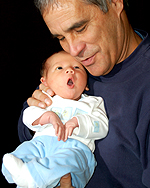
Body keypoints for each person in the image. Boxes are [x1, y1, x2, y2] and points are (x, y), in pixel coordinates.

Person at [17, 0, 150, 187]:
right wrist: (41, 112)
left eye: (80, 28)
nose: (73, 50)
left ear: (115, 3)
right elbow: (25, 128)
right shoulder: (79, 66)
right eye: (61, 38)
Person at [2, 51, 108, 188]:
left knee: (66, 159)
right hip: (42, 143)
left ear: (86, 84)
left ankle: (33, 177)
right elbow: (28, 116)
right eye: (59, 68)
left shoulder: (93, 103)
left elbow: (102, 126)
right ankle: (21, 175)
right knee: (25, 151)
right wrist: (47, 116)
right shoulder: (46, 99)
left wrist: (78, 122)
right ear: (45, 82)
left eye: (77, 68)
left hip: (76, 149)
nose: (70, 70)